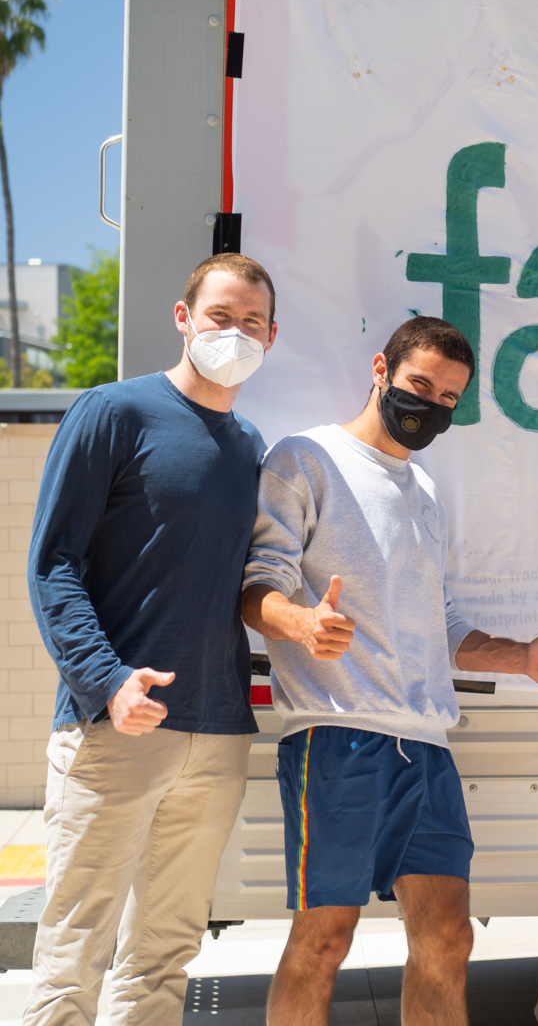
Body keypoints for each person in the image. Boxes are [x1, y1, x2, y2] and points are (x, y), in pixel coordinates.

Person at [240, 316, 538, 1026]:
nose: (431, 405)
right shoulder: (304, 458)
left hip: (425, 748)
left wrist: (519, 658)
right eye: (420, 384)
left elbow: (443, 624)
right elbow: (255, 586)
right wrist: (302, 622)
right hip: (336, 739)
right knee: (326, 939)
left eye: (450, 398)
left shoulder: (424, 492)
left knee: (448, 937)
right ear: (381, 369)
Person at [23, 254, 278, 1025]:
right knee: (76, 949)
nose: (236, 334)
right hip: (115, 730)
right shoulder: (112, 412)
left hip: (217, 731)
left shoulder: (249, 446)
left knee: (166, 953)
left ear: (273, 336)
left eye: (253, 323)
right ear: (183, 318)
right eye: (221, 317)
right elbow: (53, 562)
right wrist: (107, 681)